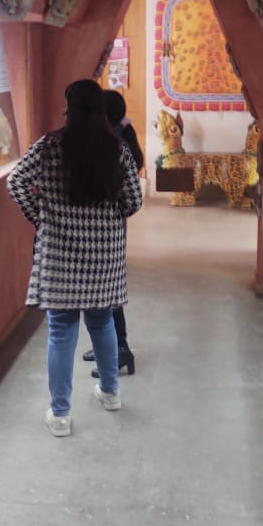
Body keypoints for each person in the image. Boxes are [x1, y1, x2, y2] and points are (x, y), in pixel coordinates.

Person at [7, 79, 142, 436]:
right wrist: (110, 220)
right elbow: (134, 200)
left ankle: (61, 414)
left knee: (61, 332)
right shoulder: (117, 149)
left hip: (60, 256)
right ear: (100, 109)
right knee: (103, 323)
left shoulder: (48, 147)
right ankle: (111, 393)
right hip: (104, 255)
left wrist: (42, 216)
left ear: (69, 108)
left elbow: (15, 182)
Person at [83, 90, 143, 378]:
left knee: (106, 292)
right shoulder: (120, 135)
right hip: (110, 228)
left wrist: (109, 216)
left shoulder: (113, 144)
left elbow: (131, 196)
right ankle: (107, 344)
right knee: (102, 292)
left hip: (106, 230)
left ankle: (120, 349)